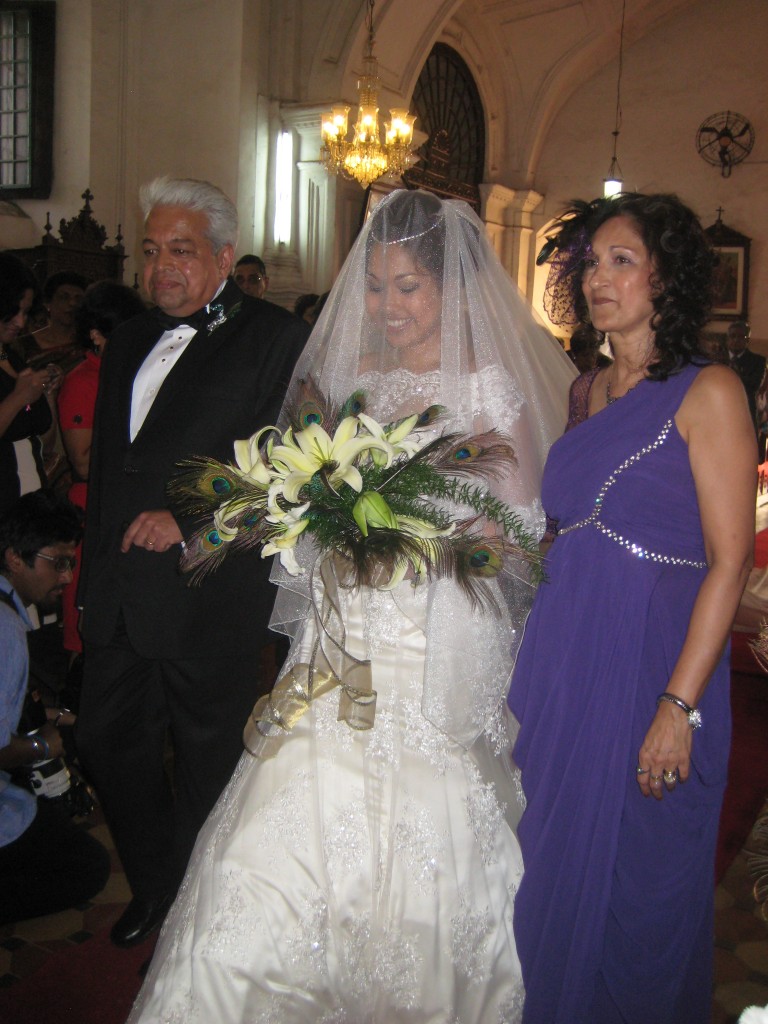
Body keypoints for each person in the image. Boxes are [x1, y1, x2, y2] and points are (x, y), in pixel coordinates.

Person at [127, 189, 576, 1023]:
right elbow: (298, 481)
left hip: (436, 638)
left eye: (408, 287)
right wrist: (314, 527)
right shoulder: (352, 381)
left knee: (428, 819)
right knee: (276, 823)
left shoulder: (490, 391)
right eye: (375, 286)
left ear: (449, 289)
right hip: (340, 639)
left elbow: (517, 533)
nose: (388, 306)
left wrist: (417, 542)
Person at [508, 193, 756, 1024]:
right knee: (549, 861)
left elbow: (728, 563)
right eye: (589, 262)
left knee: (644, 882)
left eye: (621, 260)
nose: (598, 278)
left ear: (665, 276)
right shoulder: (584, 391)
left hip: (656, 663)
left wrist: (677, 708)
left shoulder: (708, 389)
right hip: (563, 656)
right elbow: (563, 533)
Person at [74, 177, 309, 949]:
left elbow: (291, 465)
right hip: (119, 594)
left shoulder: (276, 338)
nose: (160, 268)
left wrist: (192, 519)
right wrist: (92, 577)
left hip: (212, 592)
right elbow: (112, 465)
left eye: (180, 251)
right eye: (150, 252)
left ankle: (200, 914)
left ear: (221, 256)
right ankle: (156, 884)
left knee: (210, 763)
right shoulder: (135, 336)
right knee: (109, 742)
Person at [0, 490, 110, 926]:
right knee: (88, 868)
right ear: (15, 558)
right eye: (58, 562)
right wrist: (46, 746)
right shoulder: (6, 631)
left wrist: (56, 718)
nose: (67, 577)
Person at [57, 281, 146, 667]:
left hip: (121, 503)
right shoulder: (83, 381)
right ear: (96, 335)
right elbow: (81, 459)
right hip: (90, 503)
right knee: (86, 618)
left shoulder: (123, 376)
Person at [0, 253, 59, 515]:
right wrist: (18, 398)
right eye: (13, 312)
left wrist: (48, 394)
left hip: (29, 508)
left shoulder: (11, 357)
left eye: (25, 312)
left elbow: (43, 441)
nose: (21, 323)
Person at [727, 320, 766, 457]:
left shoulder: (758, 361)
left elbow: (753, 385)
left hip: (745, 413)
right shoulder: (717, 359)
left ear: (747, 340)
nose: (736, 340)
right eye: (732, 336)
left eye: (741, 337)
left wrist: (734, 373)